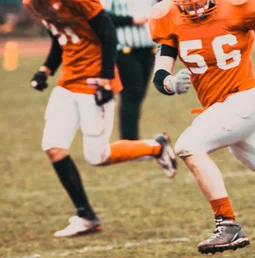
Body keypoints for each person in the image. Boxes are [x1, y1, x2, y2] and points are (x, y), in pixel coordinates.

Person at [148, 0, 255, 254]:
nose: (192, 4)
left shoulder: (237, 6)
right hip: (221, 109)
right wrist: (171, 83)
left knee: (188, 145)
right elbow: (160, 74)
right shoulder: (168, 18)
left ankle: (227, 223)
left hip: (245, 99)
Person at [24, 0, 177, 238]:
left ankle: (157, 147)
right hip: (67, 83)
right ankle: (86, 216)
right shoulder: (33, 3)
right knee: (53, 147)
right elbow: (61, 36)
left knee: (97, 156)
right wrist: (46, 69)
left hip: (93, 81)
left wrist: (106, 78)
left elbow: (108, 34)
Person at [101, 0, 158, 141]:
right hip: (125, 50)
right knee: (131, 95)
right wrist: (130, 20)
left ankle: (132, 141)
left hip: (148, 49)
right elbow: (101, 16)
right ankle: (129, 142)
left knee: (139, 96)